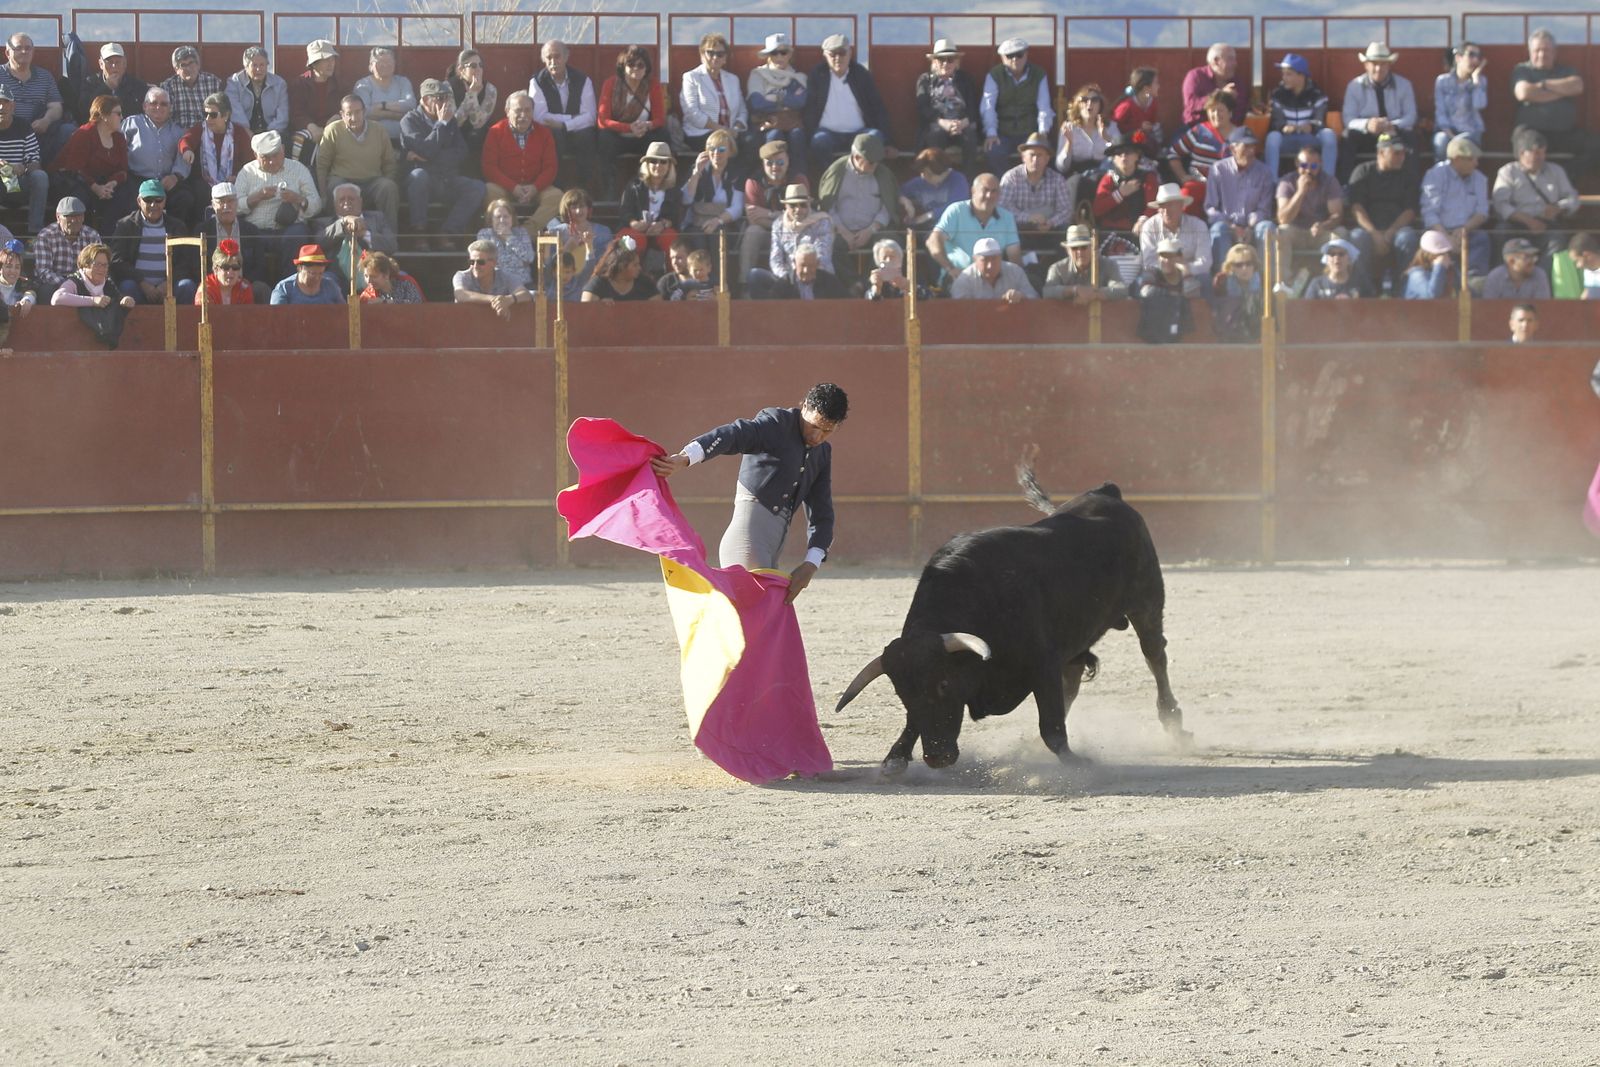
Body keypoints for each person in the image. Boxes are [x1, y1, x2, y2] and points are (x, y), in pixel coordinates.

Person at [650, 381, 849, 600]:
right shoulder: (776, 423)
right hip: (748, 537)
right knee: (752, 612)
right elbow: (733, 434)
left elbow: (822, 513)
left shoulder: (822, 454)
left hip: (773, 545)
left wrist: (811, 564)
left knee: (762, 616)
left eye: (827, 431)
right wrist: (687, 457)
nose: (817, 437)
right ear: (805, 407)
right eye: (814, 426)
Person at [401, 79, 487, 251]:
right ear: (425, 100)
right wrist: (440, 125)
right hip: (424, 182)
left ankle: (447, 231)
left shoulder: (451, 121)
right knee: (419, 176)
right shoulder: (409, 121)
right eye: (439, 98)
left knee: (477, 187)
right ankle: (419, 232)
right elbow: (425, 150)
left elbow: (461, 152)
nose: (444, 103)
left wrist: (430, 155)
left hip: (447, 178)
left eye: (446, 98)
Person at [1510, 28, 1600, 177]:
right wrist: (1560, 91)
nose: (1541, 54)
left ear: (1554, 52)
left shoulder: (1566, 70)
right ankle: (1533, 191)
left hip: (1564, 132)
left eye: (1546, 50)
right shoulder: (1522, 70)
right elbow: (1523, 93)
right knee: (1532, 148)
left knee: (1596, 146)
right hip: (1530, 131)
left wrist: (1543, 86)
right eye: (1537, 50)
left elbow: (1577, 86)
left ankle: (1563, 178)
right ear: (1530, 51)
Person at [234, 130, 321, 277]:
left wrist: (297, 199)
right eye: (265, 158)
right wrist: (257, 197)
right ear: (255, 155)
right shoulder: (247, 172)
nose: (272, 161)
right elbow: (233, 207)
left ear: (283, 150)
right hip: (257, 230)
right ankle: (252, 287)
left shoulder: (298, 169)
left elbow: (316, 205)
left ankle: (292, 284)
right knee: (242, 233)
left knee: (298, 234)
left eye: (275, 155)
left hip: (288, 229)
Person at [1490, 128, 1579, 267]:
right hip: (1517, 225)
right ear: (1521, 153)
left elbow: (1573, 198)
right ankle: (1502, 279)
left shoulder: (1555, 171)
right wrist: (1527, 220)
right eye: (1536, 153)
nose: (1541, 157)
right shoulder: (1508, 172)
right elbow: (1500, 204)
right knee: (1500, 232)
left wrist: (1559, 208)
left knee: (1558, 239)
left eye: (1543, 153)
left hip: (1546, 224)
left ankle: (1543, 281)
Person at [817, 131, 899, 279]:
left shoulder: (883, 174)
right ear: (856, 157)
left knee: (889, 244)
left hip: (873, 230)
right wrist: (842, 230)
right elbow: (828, 208)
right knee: (828, 245)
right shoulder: (836, 172)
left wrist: (871, 229)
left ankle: (873, 284)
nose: (875, 166)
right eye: (871, 162)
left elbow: (887, 207)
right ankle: (853, 285)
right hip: (841, 229)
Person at [1347, 132, 1421, 294]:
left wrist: (1389, 234)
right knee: (1357, 237)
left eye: (1403, 153)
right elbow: (1356, 208)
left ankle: (1402, 291)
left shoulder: (1408, 176)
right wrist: (1374, 234)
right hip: (1369, 230)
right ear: (1381, 152)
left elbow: (1410, 211)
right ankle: (1363, 292)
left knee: (1407, 237)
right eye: (1396, 153)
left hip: (1396, 230)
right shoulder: (1362, 172)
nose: (1402, 157)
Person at [481, 90, 562, 234]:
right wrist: (513, 187)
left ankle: (526, 232)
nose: (523, 115)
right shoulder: (495, 132)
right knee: (488, 190)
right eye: (518, 110)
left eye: (527, 110)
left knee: (556, 196)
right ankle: (507, 231)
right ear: (507, 111)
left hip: (536, 187)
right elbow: (489, 167)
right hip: (505, 187)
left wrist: (535, 187)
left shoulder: (544, 133)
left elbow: (551, 167)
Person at [314, 94, 399, 231]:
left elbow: (389, 162)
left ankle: (389, 237)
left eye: (358, 112)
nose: (354, 118)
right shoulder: (333, 130)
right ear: (342, 114)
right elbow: (322, 165)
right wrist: (323, 195)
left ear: (364, 111)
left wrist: (388, 179)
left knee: (388, 187)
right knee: (334, 187)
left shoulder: (379, 130)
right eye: (349, 114)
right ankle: (339, 236)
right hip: (343, 179)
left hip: (372, 181)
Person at [50, 94, 132, 235]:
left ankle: (110, 239)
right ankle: (81, 240)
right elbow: (75, 168)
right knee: (81, 198)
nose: (122, 117)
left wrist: (111, 184)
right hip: (73, 180)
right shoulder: (84, 133)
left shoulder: (119, 138)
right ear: (104, 115)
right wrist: (96, 188)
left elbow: (123, 169)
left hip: (104, 183)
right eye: (118, 113)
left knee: (124, 196)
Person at [803, 34, 891, 164]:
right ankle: (830, 177)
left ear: (850, 53)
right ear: (825, 55)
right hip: (827, 133)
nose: (838, 58)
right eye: (833, 54)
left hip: (859, 132)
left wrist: (889, 142)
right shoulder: (817, 75)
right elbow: (809, 109)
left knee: (875, 137)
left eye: (842, 53)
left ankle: (865, 178)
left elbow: (877, 107)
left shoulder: (861, 75)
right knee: (819, 141)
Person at [109, 178, 198, 305]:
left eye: (158, 200)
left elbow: (185, 262)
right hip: (138, 287)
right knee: (127, 287)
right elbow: (117, 261)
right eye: (148, 200)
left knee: (187, 286)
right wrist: (142, 283)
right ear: (139, 201)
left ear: (165, 201)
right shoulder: (125, 225)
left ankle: (184, 325)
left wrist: (167, 284)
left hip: (169, 287)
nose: (153, 205)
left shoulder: (177, 226)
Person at [1204, 127, 1277, 277]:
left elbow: (1264, 209)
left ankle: (1267, 281)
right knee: (1218, 229)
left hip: (1253, 226)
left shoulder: (1264, 172)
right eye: (1246, 146)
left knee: (1267, 228)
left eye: (1253, 147)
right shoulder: (1218, 169)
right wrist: (1231, 226)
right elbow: (1211, 207)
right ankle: (1223, 280)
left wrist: (1250, 226)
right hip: (1227, 225)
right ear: (1233, 148)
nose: (1251, 151)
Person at [1340, 43, 1417, 181]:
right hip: (1367, 135)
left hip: (1394, 132)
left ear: (1389, 65)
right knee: (1348, 137)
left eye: (1383, 64)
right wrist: (1367, 124)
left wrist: (1392, 125)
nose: (1378, 68)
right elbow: (1348, 119)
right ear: (1366, 65)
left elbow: (1411, 116)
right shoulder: (1354, 86)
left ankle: (1412, 186)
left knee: (1411, 137)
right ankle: (1346, 185)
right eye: (1374, 64)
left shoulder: (1404, 85)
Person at [598, 46, 666, 197]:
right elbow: (603, 120)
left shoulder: (652, 85)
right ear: (623, 66)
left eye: (640, 65)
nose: (636, 68)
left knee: (661, 136)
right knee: (604, 138)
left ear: (646, 68)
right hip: (618, 136)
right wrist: (628, 128)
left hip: (643, 134)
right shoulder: (611, 84)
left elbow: (660, 118)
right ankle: (609, 190)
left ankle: (650, 187)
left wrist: (648, 125)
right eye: (631, 64)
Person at [531, 40, 598, 193]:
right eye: (549, 58)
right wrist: (572, 118)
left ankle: (584, 190)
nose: (553, 62)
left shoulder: (583, 80)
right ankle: (556, 189)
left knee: (586, 135)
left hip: (577, 134)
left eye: (557, 56)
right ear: (544, 60)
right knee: (552, 134)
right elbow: (539, 117)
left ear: (566, 57)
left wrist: (565, 124)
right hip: (553, 135)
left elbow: (590, 116)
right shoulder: (536, 82)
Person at [979, 38, 1052, 176]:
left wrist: (1042, 133)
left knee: (1040, 152)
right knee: (993, 151)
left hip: (1029, 131)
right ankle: (1006, 185)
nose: (1015, 59)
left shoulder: (1039, 74)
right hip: (1003, 132)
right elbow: (988, 106)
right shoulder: (994, 75)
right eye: (1009, 56)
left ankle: (1030, 185)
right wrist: (991, 133)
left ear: (1026, 55)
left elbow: (1044, 107)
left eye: (1019, 55)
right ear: (1002, 58)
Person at [929, 172, 1022, 280]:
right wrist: (950, 269)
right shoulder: (956, 211)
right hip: (958, 277)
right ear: (973, 191)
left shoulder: (1007, 217)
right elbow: (933, 241)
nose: (989, 195)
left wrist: (1015, 279)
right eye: (985, 190)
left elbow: (1014, 255)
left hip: (993, 280)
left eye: (994, 191)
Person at [1420, 134, 1490, 277]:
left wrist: (1464, 229)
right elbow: (1429, 213)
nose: (1476, 163)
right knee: (1430, 240)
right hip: (1439, 231)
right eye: (1471, 159)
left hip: (1467, 231)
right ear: (1456, 159)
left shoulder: (1480, 178)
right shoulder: (1435, 175)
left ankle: (1473, 283)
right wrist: (1447, 238)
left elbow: (1482, 212)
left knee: (1482, 238)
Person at [121, 87, 192, 226]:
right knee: (125, 199)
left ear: (170, 107)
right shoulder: (131, 123)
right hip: (137, 180)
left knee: (185, 199)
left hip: (166, 182)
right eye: (154, 103)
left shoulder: (178, 131)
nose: (158, 107)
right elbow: (118, 149)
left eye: (164, 104)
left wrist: (175, 176)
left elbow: (183, 158)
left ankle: (174, 241)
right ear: (145, 106)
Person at [747, 184, 832, 298]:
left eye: (802, 205)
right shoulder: (778, 224)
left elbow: (822, 255)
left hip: (816, 274)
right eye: (793, 205)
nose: (798, 210)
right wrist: (788, 277)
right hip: (789, 279)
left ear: (808, 205)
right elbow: (775, 260)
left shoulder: (822, 221)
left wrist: (805, 272)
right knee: (754, 275)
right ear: (786, 206)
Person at [177, 92, 251, 223]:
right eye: (205, 114)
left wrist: (238, 176)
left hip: (233, 181)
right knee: (198, 191)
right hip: (205, 182)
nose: (207, 119)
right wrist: (187, 150)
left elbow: (249, 163)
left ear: (226, 115)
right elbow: (185, 140)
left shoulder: (239, 132)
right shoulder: (201, 129)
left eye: (213, 115)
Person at [50, 242, 136, 348]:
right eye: (97, 264)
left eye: (105, 265)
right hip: (74, 343)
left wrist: (126, 300)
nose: (102, 269)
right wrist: (93, 301)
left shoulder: (108, 283)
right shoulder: (75, 281)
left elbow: (118, 298)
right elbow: (57, 299)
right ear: (85, 265)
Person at [1264, 54, 1337, 179]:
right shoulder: (1278, 95)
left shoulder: (1317, 94)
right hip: (1287, 140)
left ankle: (1327, 182)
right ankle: (1272, 184)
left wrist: (1311, 126)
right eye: (1283, 74)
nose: (1284, 78)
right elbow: (1276, 122)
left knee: (1329, 135)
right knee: (1272, 137)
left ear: (1301, 76)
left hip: (1310, 139)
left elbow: (1320, 120)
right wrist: (1284, 127)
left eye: (1289, 74)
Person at [1274, 144, 1345, 272]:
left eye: (1313, 166)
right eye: (1304, 165)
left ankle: (1332, 281)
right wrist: (1300, 192)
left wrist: (1324, 225)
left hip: (1320, 233)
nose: (1308, 170)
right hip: (1296, 232)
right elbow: (1283, 219)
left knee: (1340, 233)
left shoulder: (1330, 182)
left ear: (1320, 164)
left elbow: (1337, 215)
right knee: (1281, 231)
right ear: (1297, 164)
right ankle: (1282, 283)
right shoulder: (1286, 182)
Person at [739, 140, 800, 286]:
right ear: (763, 164)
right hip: (765, 233)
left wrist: (768, 214)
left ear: (787, 161)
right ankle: (745, 285)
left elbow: (800, 219)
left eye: (780, 162)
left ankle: (795, 286)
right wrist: (784, 216)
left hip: (791, 233)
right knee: (753, 231)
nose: (775, 167)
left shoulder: (798, 180)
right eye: (769, 163)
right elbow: (754, 219)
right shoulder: (753, 182)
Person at [318, 182, 398, 292]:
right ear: (334, 203)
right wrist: (343, 222)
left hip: (375, 274)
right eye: (342, 199)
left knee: (403, 277)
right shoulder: (323, 223)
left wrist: (365, 234)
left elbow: (391, 245)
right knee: (326, 281)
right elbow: (319, 241)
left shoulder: (377, 218)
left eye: (351, 198)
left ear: (360, 201)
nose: (346, 202)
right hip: (337, 277)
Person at [2, 33, 68, 163]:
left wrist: (46, 120)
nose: (24, 51)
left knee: (68, 130)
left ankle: (57, 176)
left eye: (28, 48)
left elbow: (56, 106)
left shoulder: (45, 76)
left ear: (33, 52)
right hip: (5, 134)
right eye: (18, 48)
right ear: (7, 53)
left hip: (38, 134)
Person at [916, 39, 979, 175]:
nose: (945, 64)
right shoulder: (925, 80)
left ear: (957, 62)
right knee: (935, 136)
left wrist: (963, 122)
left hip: (962, 123)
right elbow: (923, 108)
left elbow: (974, 106)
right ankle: (936, 177)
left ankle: (969, 181)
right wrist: (942, 122)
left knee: (970, 137)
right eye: (941, 59)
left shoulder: (965, 79)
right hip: (937, 123)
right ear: (934, 61)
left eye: (950, 60)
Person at [747, 34, 808, 174]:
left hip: (792, 124)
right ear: (768, 55)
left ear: (790, 54)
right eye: (774, 53)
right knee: (774, 136)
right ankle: (771, 180)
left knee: (797, 136)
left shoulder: (799, 77)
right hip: (766, 124)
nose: (779, 57)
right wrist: (786, 102)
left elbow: (800, 102)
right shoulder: (758, 74)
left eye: (783, 52)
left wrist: (771, 98)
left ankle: (799, 182)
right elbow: (756, 103)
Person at [1135, 182, 1209, 296]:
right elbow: (1149, 262)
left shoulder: (1198, 225)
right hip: (1160, 276)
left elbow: (1205, 262)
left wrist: (1186, 269)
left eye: (1170, 205)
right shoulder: (1149, 226)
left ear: (1181, 206)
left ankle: (1206, 313)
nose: (1166, 210)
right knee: (1144, 281)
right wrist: (1171, 267)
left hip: (1190, 275)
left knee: (1205, 279)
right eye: (1162, 206)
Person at [679, 126, 743, 257]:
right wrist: (696, 173)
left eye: (721, 149)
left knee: (718, 236)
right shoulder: (697, 169)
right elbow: (686, 200)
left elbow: (737, 207)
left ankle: (718, 276)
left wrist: (717, 221)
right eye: (712, 149)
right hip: (696, 222)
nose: (716, 153)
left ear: (730, 151)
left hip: (724, 223)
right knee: (698, 239)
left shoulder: (736, 173)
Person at [680, 33, 747, 155]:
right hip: (700, 133)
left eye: (720, 54)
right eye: (710, 53)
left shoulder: (733, 79)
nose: (715, 57)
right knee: (723, 144)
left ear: (725, 58)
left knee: (751, 142)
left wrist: (736, 129)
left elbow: (742, 110)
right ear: (702, 55)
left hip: (730, 133)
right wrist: (721, 130)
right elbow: (692, 113)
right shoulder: (691, 77)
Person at [200, 181, 268, 302]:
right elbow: (196, 265)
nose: (226, 206)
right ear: (213, 205)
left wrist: (242, 282)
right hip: (213, 285)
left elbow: (260, 265)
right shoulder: (202, 231)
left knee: (261, 288)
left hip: (244, 285)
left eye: (230, 201)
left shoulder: (251, 230)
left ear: (237, 203)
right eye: (221, 202)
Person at [1167, 89, 1236, 206]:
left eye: (1221, 110)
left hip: (1229, 189)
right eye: (1212, 110)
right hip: (1199, 185)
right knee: (1187, 193)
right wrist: (1183, 176)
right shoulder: (1199, 131)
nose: (1216, 114)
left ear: (1230, 113)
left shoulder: (1241, 136)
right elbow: (1173, 154)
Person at [999, 131, 1073, 237]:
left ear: (1047, 159)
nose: (1035, 159)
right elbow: (1003, 208)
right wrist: (1028, 218)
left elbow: (1066, 210)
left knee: (1065, 230)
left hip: (1049, 230)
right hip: (1020, 230)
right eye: (1032, 155)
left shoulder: (1057, 180)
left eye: (1040, 155)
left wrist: (1051, 222)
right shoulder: (1011, 178)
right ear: (1023, 157)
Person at [543, 188, 611, 301]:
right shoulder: (556, 232)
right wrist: (567, 248)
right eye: (574, 207)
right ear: (566, 210)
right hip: (562, 287)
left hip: (592, 284)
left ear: (588, 209)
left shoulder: (603, 232)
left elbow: (605, 264)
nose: (579, 211)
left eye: (582, 206)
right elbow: (548, 269)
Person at [617, 142, 681, 259]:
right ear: (646, 164)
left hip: (661, 231)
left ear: (669, 165)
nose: (658, 165)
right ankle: (628, 275)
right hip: (636, 229)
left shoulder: (674, 189)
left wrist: (663, 224)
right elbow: (624, 211)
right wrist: (634, 223)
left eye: (663, 161)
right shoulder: (634, 185)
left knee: (671, 239)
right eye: (653, 161)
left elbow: (677, 216)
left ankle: (674, 276)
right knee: (629, 241)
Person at [0, 84, 48, 234]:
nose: (1, 107)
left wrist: (23, 168)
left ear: (13, 106)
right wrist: (5, 168)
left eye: (5, 102)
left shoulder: (23, 126)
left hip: (19, 184)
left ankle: (34, 234)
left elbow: (34, 159)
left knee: (40, 176)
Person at [32, 197, 102, 298]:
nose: (74, 220)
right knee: (46, 290)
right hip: (55, 283)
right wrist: (69, 284)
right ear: (58, 217)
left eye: (78, 216)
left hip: (84, 283)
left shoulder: (92, 236)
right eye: (69, 216)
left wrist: (80, 284)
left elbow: (98, 268)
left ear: (83, 217)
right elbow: (43, 271)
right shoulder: (46, 236)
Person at [288, 40, 343, 165]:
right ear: (314, 64)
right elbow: (296, 113)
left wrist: (337, 116)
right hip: (308, 128)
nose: (331, 64)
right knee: (300, 139)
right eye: (326, 60)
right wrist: (312, 127)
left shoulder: (339, 84)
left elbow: (347, 106)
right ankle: (298, 173)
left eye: (332, 59)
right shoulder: (300, 84)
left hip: (334, 126)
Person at [1043, 224, 1128, 301]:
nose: (1079, 252)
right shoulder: (1057, 268)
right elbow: (1047, 292)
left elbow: (1122, 290)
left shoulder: (1109, 265)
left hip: (1102, 317)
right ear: (1067, 250)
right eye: (1074, 248)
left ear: (1092, 247)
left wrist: (1095, 294)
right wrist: (1074, 290)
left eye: (1084, 247)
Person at [1093, 138, 1159, 234]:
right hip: (1110, 232)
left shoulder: (1148, 178)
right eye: (1118, 153)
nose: (1123, 156)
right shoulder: (1108, 179)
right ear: (1114, 159)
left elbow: (1153, 205)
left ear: (1137, 156)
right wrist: (1120, 194)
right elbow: (1097, 209)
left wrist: (1142, 222)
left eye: (1128, 152)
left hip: (1141, 231)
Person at [1433, 42, 1487, 161]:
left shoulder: (1480, 81)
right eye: (1471, 55)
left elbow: (1479, 104)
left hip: (1470, 131)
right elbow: (1440, 111)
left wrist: (1476, 80)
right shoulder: (1442, 81)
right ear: (1458, 58)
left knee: (1465, 147)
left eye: (1478, 56)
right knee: (1441, 142)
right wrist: (1449, 133)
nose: (1475, 60)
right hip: (1447, 131)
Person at [1134, 237, 1194, 342]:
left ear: (1179, 258)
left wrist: (1186, 273)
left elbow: (1192, 293)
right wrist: (1173, 294)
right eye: (1163, 256)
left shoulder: (1182, 275)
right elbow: (1146, 292)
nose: (1166, 260)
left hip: (1177, 328)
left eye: (1171, 256)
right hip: (1153, 331)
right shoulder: (1151, 272)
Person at [352, 47, 414, 147]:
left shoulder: (403, 82)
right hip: (371, 141)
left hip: (403, 140)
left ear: (394, 64)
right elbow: (364, 112)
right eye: (380, 62)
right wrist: (396, 116)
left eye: (389, 61)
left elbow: (410, 105)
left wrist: (382, 106)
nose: (385, 65)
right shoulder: (363, 85)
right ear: (371, 66)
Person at [446, 48, 497, 168]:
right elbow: (455, 122)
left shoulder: (490, 90)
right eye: (473, 66)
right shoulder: (448, 87)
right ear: (461, 70)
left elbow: (478, 123)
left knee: (476, 135)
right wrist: (471, 94)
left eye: (481, 65)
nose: (478, 69)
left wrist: (473, 95)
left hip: (477, 135)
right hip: (454, 132)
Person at [454, 238, 532, 315]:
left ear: (494, 263)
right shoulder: (462, 276)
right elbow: (460, 295)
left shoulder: (506, 276)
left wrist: (508, 300)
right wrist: (495, 300)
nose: (475, 266)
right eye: (471, 262)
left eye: (480, 262)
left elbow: (525, 295)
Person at [1056, 84, 1119, 176]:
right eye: (1084, 100)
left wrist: (1107, 138)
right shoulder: (1069, 128)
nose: (1089, 104)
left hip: (1103, 173)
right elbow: (1061, 167)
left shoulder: (1111, 127)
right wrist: (1069, 143)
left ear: (1100, 105)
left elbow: (1121, 156)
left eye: (1094, 100)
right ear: (1078, 104)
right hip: (1077, 174)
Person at [951, 235, 1035, 302]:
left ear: (1001, 257)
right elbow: (959, 310)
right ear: (974, 259)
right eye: (984, 260)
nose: (990, 265)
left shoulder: (1015, 272)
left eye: (994, 259)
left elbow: (1034, 298)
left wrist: (1021, 296)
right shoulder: (964, 279)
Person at [901, 148, 969, 230]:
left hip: (952, 227)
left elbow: (956, 207)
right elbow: (898, 192)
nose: (924, 177)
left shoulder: (958, 180)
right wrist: (906, 202)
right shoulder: (920, 182)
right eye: (922, 173)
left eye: (929, 174)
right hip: (927, 229)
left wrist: (928, 215)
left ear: (942, 171)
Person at [228, 46, 288, 138]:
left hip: (272, 134)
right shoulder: (234, 83)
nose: (258, 69)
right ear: (246, 67)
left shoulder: (279, 84)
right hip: (244, 133)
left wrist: (269, 135)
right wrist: (248, 134)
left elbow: (282, 116)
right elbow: (235, 113)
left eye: (262, 65)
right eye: (254, 65)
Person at [1181, 43, 1246, 129]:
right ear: (1216, 61)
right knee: (1175, 142)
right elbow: (1191, 104)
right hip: (1196, 128)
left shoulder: (1237, 83)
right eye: (1231, 59)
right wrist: (1220, 95)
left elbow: (1241, 111)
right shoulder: (1196, 76)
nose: (1235, 63)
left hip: (1226, 131)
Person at [752, 242, 843, 300]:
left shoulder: (830, 282)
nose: (806, 270)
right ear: (795, 263)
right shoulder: (784, 284)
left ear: (817, 264)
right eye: (802, 265)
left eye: (810, 266)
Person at [161, 45, 224, 130]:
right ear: (176, 70)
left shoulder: (213, 82)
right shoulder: (168, 86)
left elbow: (222, 113)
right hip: (181, 134)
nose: (188, 68)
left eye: (191, 63)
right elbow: (165, 118)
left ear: (198, 65)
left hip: (208, 131)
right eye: (183, 65)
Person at [80, 43, 147, 121]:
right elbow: (83, 110)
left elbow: (138, 112)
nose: (114, 66)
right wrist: (105, 87)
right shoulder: (90, 82)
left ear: (124, 63)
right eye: (110, 62)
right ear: (101, 64)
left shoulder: (136, 85)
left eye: (118, 62)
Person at [581, 234, 657, 302]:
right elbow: (584, 310)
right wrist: (600, 307)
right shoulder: (598, 284)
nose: (639, 268)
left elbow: (659, 310)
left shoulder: (646, 283)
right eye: (635, 265)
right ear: (621, 266)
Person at [1211, 242, 1263, 340]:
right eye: (1239, 265)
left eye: (1249, 264)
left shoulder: (1264, 280)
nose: (1244, 269)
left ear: (1254, 265)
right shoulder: (1221, 282)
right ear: (1231, 267)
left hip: (1256, 334)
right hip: (1230, 333)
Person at [1113, 66, 1163, 161]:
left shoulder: (1153, 103)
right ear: (1146, 88)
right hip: (1126, 146)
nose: (1158, 86)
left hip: (1143, 143)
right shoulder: (1126, 106)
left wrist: (1150, 127)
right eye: (1156, 83)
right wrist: (1138, 127)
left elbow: (1153, 122)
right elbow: (1115, 128)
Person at [269, 243, 345, 304]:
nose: (317, 278)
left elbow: (343, 313)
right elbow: (277, 318)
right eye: (313, 273)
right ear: (299, 268)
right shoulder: (284, 289)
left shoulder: (331, 287)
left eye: (320, 273)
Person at [1481, 236, 1550, 300]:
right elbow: (1490, 308)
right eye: (1527, 257)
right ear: (1511, 261)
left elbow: (1543, 307)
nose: (1532, 261)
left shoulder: (1539, 274)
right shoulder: (1495, 277)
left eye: (1533, 257)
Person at [863, 237, 930, 301]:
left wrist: (909, 286)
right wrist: (877, 288)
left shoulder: (912, 273)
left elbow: (929, 295)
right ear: (878, 262)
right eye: (884, 257)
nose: (888, 260)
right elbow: (867, 300)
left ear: (900, 258)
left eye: (892, 256)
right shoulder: (876, 277)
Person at [1302, 237, 1368, 299]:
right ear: (1327, 260)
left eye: (1341, 254)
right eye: (1332, 254)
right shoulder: (1317, 284)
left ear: (1349, 260)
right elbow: (1308, 310)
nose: (1336, 258)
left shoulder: (1361, 284)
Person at [1403, 228, 1459, 299]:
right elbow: (1431, 296)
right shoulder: (1416, 275)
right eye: (1440, 254)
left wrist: (1453, 273)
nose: (1445, 257)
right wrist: (1439, 267)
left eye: (1447, 253)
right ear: (1428, 254)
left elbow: (1470, 295)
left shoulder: (1445, 270)